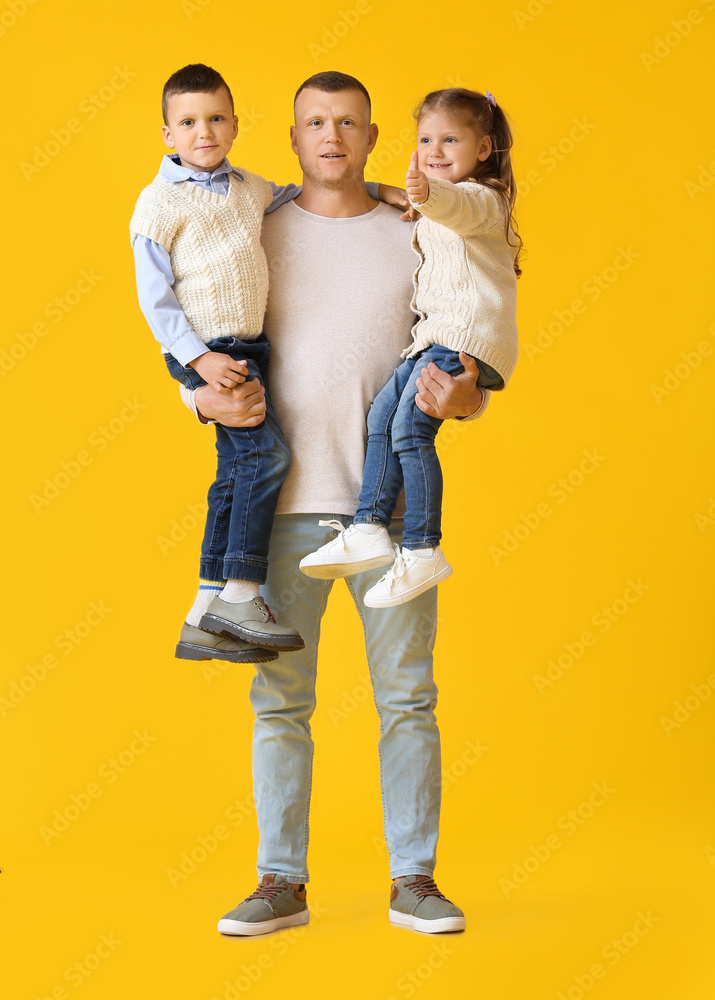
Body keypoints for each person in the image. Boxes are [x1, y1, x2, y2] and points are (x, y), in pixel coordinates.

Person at [180, 72, 489, 936]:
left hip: (389, 514)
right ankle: (280, 880)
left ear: (371, 133)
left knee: (408, 700)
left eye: (347, 122)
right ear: (290, 136)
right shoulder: (256, 227)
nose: (331, 136)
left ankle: (415, 880)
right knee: (278, 704)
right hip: (276, 516)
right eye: (315, 121)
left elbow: (462, 360)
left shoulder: (416, 230)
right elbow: (210, 335)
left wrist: (457, 397)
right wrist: (199, 400)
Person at [130, 64, 391, 662]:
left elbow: (309, 192)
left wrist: (384, 191)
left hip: (252, 353)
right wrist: (197, 371)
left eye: (216, 118)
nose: (204, 132)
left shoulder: (252, 192)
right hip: (210, 351)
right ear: (167, 134)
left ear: (236, 125)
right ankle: (242, 591)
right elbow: (154, 300)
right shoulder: (157, 205)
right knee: (265, 456)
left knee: (234, 473)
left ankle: (203, 606)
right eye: (189, 122)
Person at [300, 88, 521, 608]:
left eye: (451, 139)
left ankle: (423, 547)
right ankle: (370, 525)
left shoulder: (483, 201)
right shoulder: (433, 205)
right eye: (425, 139)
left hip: (465, 337)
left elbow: (456, 204)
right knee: (383, 413)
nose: (436, 149)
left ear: (483, 149)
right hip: (435, 338)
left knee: (410, 428)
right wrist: (391, 191)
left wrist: (423, 193)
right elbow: (433, 206)